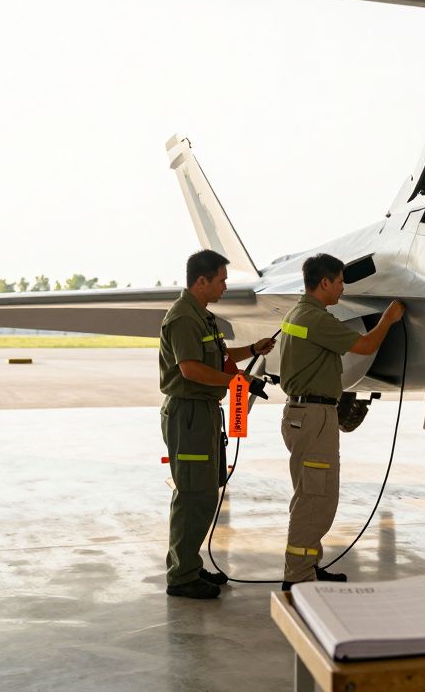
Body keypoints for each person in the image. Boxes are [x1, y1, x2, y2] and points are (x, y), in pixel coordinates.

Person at [277, 253, 405, 590]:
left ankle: (308, 565)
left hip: (299, 415)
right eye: (339, 282)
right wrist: (389, 318)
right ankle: (298, 576)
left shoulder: (297, 313)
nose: (342, 288)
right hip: (314, 417)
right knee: (315, 500)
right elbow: (365, 345)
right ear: (324, 283)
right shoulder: (317, 319)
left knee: (310, 494)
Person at [159, 249, 276, 599]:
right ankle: (181, 577)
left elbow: (219, 357)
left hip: (204, 413)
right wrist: (235, 383)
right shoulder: (183, 318)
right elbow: (190, 369)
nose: (225, 286)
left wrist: (252, 349)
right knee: (193, 494)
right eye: (221, 280)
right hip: (189, 414)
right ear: (201, 281)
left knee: (206, 491)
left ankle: (189, 566)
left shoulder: (203, 317)